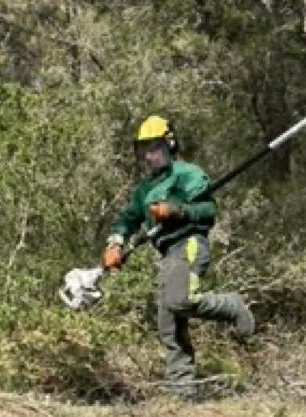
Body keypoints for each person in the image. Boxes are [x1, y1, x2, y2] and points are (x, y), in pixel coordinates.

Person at [103, 115, 254, 398]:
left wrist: (178, 210)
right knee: (168, 324)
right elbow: (126, 219)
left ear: (170, 144)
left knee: (179, 300)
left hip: (188, 244)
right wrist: (115, 243)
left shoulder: (188, 174)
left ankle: (232, 306)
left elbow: (208, 211)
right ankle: (181, 392)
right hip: (166, 254)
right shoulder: (145, 190)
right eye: (144, 149)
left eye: (156, 147)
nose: (150, 155)